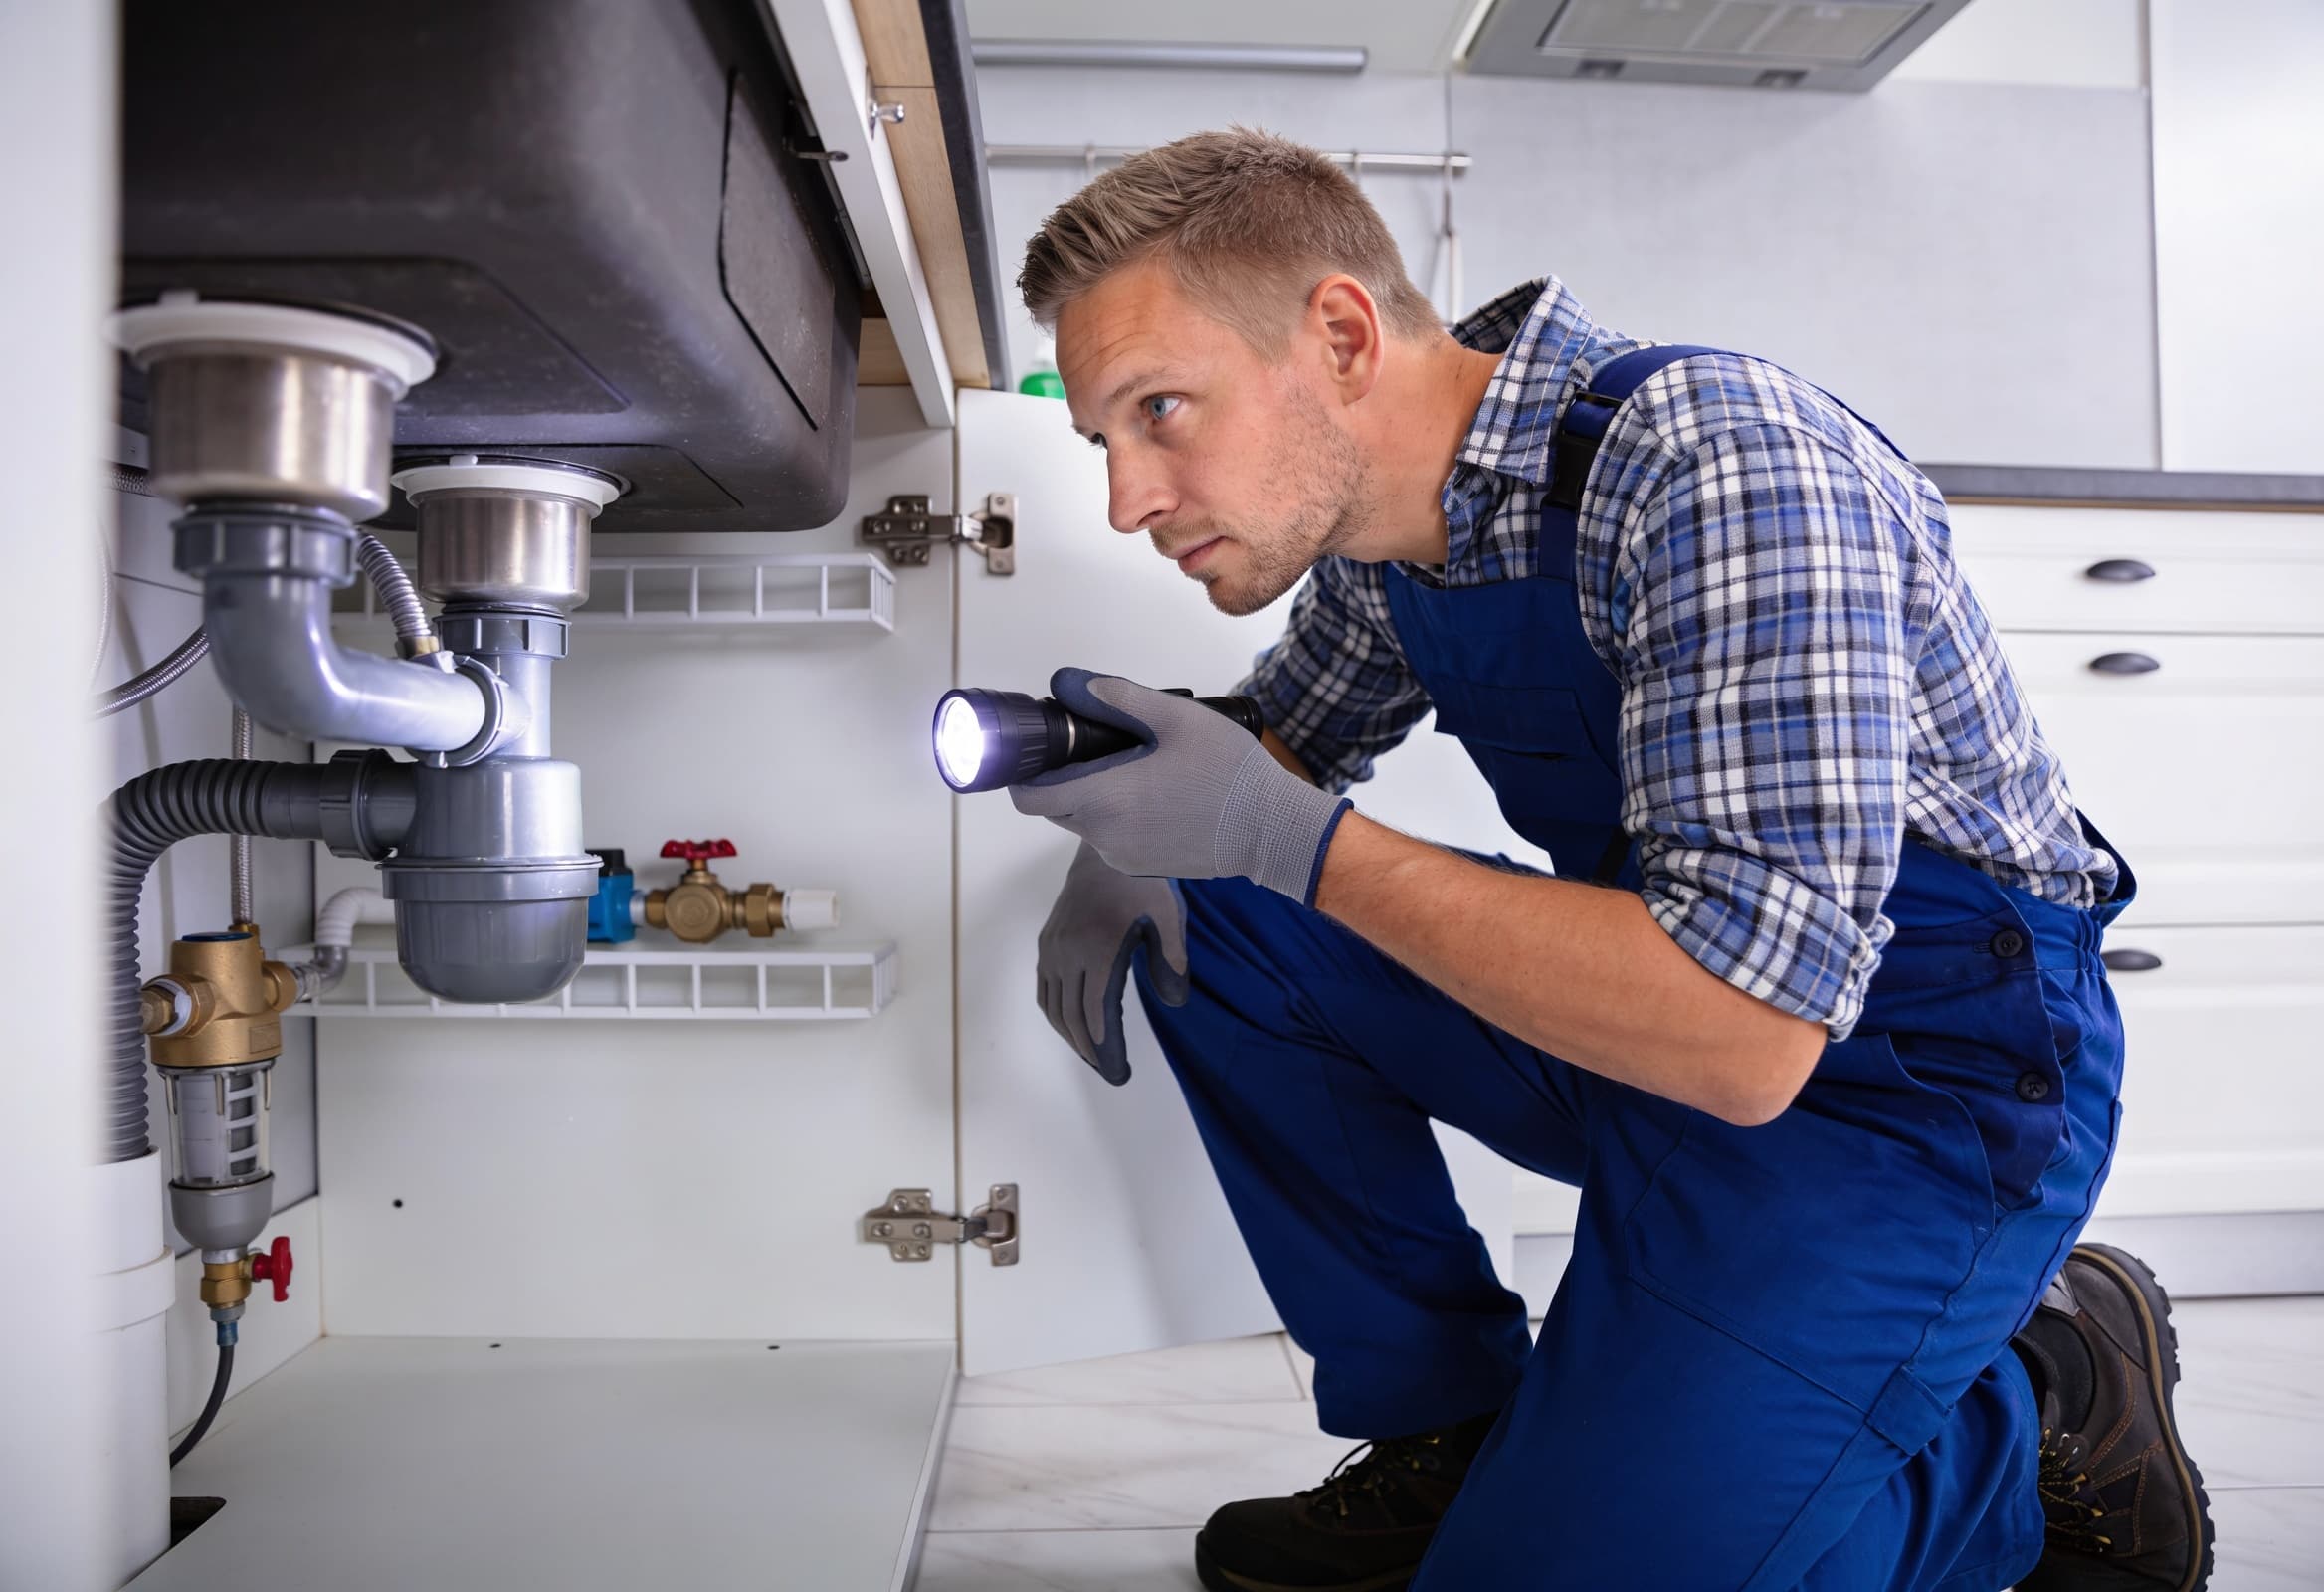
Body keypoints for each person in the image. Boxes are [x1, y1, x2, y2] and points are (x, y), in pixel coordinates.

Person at [1003, 129, 2213, 1592]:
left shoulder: (1719, 466)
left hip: (1912, 1094)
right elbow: (1277, 751)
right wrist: (1149, 835)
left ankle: (2045, 1411)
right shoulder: (1394, 533)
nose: (1131, 497)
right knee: (1217, 906)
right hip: (1667, 1023)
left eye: (1162, 411)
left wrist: (1271, 831)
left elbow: (1749, 1037)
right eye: (1103, 443)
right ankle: (1449, 1430)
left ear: (1337, 334)